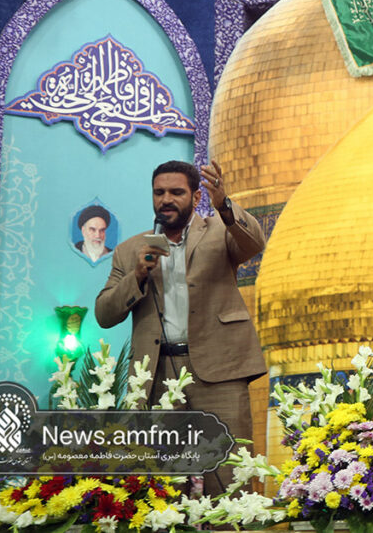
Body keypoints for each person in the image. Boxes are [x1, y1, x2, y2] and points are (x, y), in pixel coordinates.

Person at [95, 160, 266, 494]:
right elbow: (104, 313)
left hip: (220, 371)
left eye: (176, 192)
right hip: (158, 375)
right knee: (164, 484)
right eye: (159, 193)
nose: (166, 200)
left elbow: (254, 242)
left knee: (230, 477)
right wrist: (137, 276)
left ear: (196, 196)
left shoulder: (220, 231)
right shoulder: (131, 250)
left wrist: (224, 205)